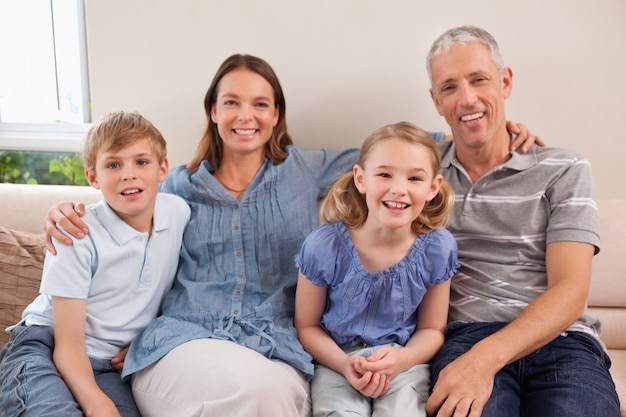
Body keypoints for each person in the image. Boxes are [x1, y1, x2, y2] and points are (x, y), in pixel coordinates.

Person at [41, 54, 541, 417]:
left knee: (276, 396)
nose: (246, 115)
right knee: (255, 393)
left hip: (277, 343)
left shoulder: (309, 169)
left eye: (261, 103)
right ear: (212, 110)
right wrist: (64, 209)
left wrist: (496, 130)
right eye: (231, 102)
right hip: (188, 338)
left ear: (276, 114)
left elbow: (402, 155)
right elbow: (119, 204)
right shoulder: (178, 186)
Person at [423, 26, 621, 417]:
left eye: (479, 80)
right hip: (466, 335)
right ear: (436, 101)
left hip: (563, 341)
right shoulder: (421, 172)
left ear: (505, 81)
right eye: (449, 88)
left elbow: (570, 290)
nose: (467, 98)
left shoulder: (564, 167)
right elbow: (370, 164)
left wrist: (485, 360)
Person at [0, 111, 190, 417]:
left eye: (141, 161)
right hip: (47, 349)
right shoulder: (76, 232)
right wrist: (96, 403)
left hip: (109, 368)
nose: (129, 173)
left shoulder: (179, 212)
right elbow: (67, 345)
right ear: (93, 177)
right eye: (114, 164)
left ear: (162, 168)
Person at [294, 121, 459, 417]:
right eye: (384, 174)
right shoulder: (323, 246)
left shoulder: (438, 248)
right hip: (337, 362)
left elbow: (432, 329)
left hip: (404, 365)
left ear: (433, 187)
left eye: (414, 178)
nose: (398, 189)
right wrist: (345, 364)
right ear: (361, 179)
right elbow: (306, 326)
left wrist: (403, 358)